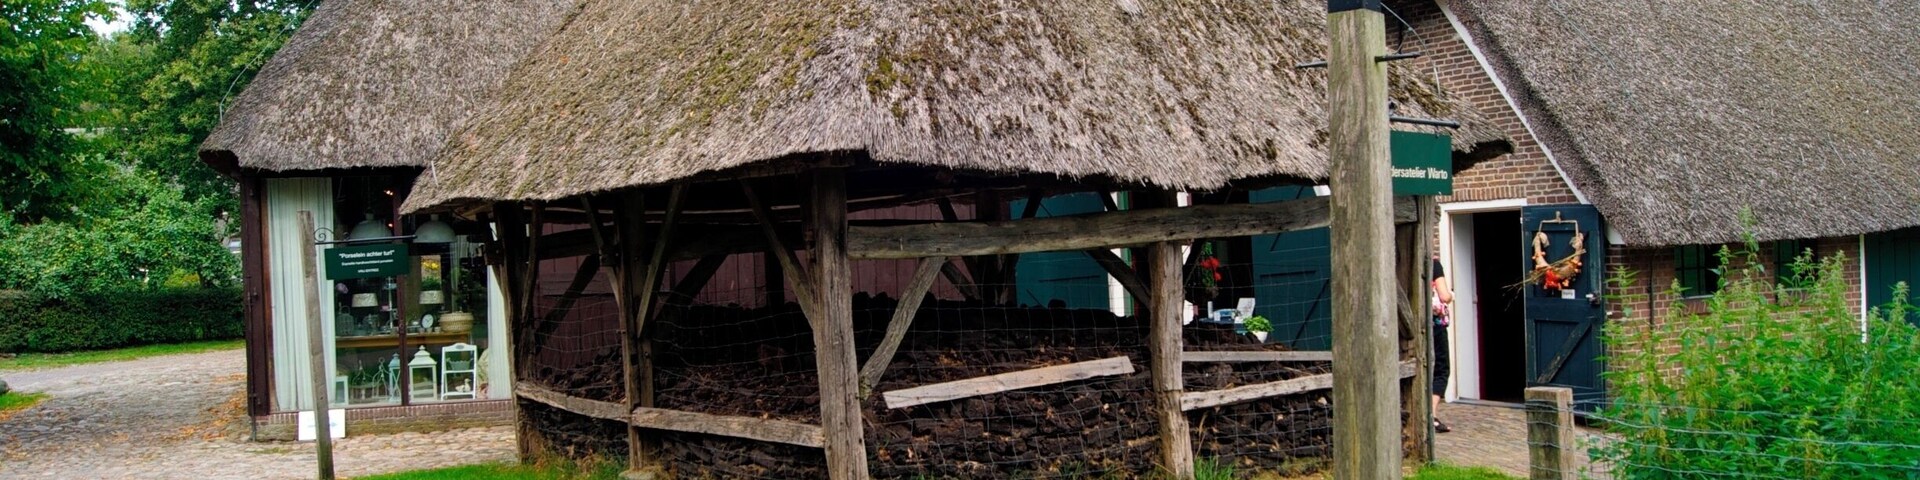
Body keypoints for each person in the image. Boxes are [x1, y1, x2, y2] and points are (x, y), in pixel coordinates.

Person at [1430, 256, 1454, 433]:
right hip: (1435, 324)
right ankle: (1431, 415)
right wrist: (1452, 294)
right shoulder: (1434, 264)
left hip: (1410, 324)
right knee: (1441, 368)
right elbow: (1444, 296)